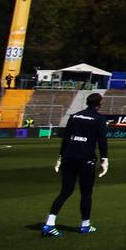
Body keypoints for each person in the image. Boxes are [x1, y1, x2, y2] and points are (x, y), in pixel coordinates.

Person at [41, 93, 109, 237]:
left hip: (69, 157)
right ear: (99, 104)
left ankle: (49, 223)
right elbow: (102, 141)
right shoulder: (99, 119)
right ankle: (85, 225)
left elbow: (65, 139)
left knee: (65, 191)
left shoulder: (74, 117)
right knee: (86, 193)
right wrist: (104, 159)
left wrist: (60, 157)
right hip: (86, 159)